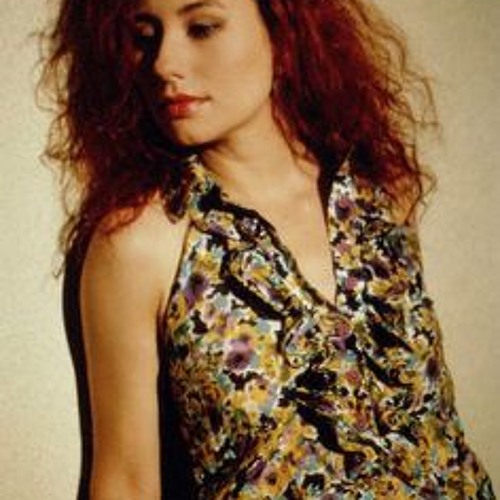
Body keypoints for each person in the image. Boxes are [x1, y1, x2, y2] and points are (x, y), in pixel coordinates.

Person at [40, 0, 495, 498]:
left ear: (283, 27)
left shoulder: (381, 194)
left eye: (202, 27)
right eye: (144, 37)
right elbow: (126, 482)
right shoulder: (142, 241)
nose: (164, 63)